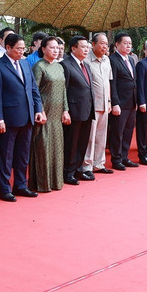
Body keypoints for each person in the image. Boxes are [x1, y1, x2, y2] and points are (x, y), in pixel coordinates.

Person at [0, 33, 45, 202]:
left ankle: (21, 185)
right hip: (8, 118)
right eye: (18, 49)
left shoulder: (25, 63)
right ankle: (4, 189)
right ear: (8, 48)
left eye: (23, 48)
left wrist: (38, 109)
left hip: (27, 116)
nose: (22, 52)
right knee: (5, 156)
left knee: (22, 155)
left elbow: (33, 89)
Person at [30, 37, 68, 192]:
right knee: (43, 148)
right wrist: (39, 110)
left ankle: (56, 181)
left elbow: (64, 90)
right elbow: (34, 90)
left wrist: (66, 110)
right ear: (43, 49)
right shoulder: (39, 66)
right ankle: (42, 183)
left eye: (57, 48)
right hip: (44, 113)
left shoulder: (59, 67)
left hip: (58, 114)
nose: (56, 50)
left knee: (57, 148)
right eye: (52, 47)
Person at [61, 36, 95, 184]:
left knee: (82, 142)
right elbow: (64, 90)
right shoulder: (66, 65)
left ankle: (78, 169)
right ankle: (68, 172)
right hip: (73, 111)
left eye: (87, 47)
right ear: (73, 48)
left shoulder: (85, 65)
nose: (86, 49)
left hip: (87, 109)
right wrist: (65, 110)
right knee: (71, 143)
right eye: (83, 46)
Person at [108, 32, 139, 170]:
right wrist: (115, 103)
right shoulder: (113, 60)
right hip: (120, 102)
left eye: (130, 44)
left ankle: (124, 157)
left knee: (128, 132)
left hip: (132, 102)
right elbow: (112, 83)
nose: (128, 46)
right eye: (125, 43)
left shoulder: (131, 59)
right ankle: (116, 159)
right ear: (117, 44)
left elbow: (134, 81)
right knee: (117, 132)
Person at [83, 32, 113, 175]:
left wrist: (109, 101)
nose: (105, 46)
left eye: (106, 44)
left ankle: (99, 164)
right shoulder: (86, 60)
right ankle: (87, 166)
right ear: (93, 44)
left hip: (105, 103)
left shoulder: (107, 60)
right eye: (102, 43)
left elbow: (108, 82)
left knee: (101, 136)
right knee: (90, 137)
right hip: (91, 105)